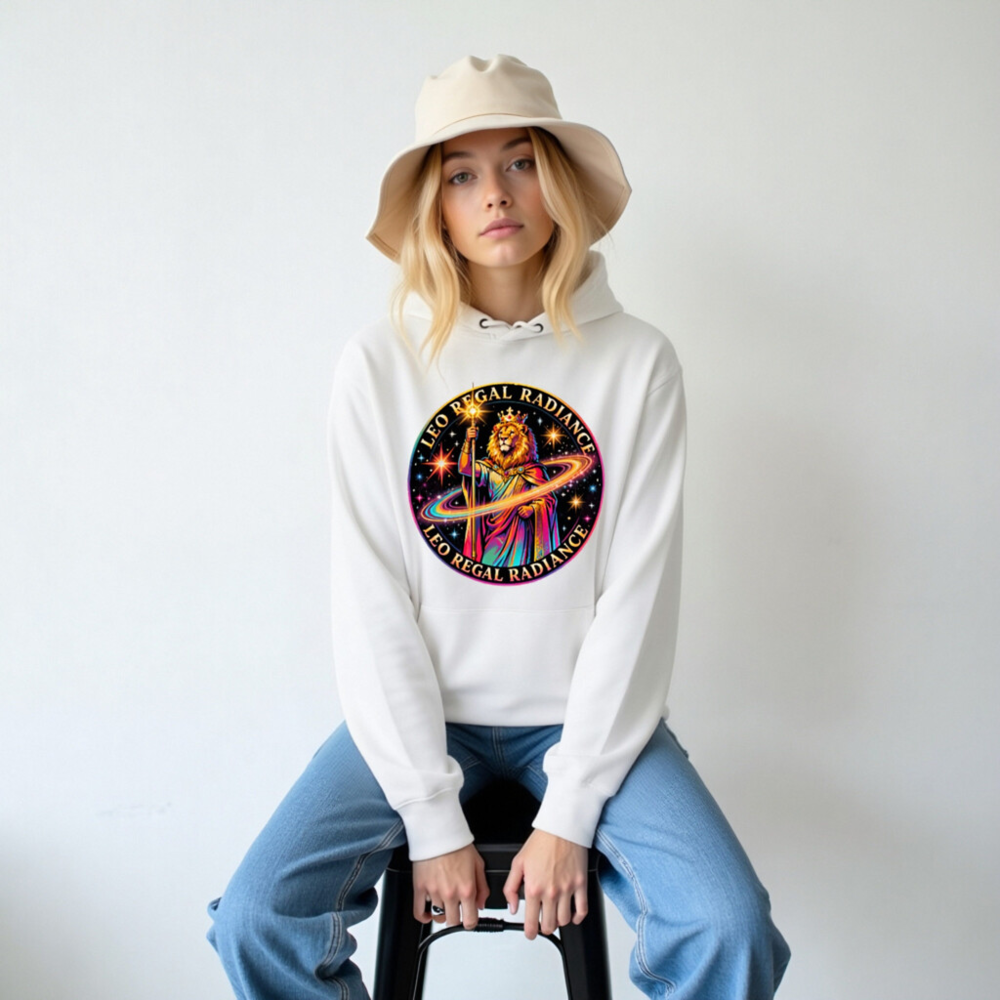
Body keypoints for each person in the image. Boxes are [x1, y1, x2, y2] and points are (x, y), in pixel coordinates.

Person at [206, 53, 791, 999]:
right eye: (462, 175)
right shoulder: (379, 365)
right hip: (418, 715)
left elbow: (637, 600)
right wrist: (431, 817)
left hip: (588, 718)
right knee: (257, 919)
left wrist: (570, 812)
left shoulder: (638, 362)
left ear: (557, 183)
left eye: (520, 163)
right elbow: (371, 601)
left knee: (729, 928)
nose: (495, 195)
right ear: (434, 208)